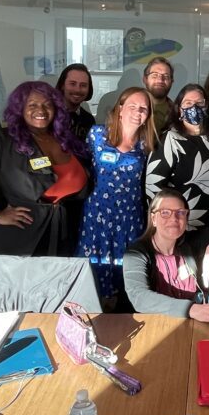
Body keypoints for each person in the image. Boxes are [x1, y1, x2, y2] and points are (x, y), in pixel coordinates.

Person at [0, 81, 91, 258]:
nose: (40, 110)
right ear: (20, 109)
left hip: (64, 235)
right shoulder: (4, 140)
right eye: (32, 104)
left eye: (47, 104)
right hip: (22, 237)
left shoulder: (66, 141)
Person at [79, 87, 157, 304]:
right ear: (120, 109)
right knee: (93, 274)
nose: (137, 111)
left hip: (130, 219)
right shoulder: (96, 135)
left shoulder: (147, 146)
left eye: (143, 108)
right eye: (132, 106)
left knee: (126, 278)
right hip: (97, 217)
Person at [123, 189, 209, 322]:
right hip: (153, 325)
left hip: (194, 324)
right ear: (153, 219)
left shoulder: (192, 241)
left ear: (186, 219)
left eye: (180, 213)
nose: (174, 218)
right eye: (165, 213)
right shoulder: (136, 253)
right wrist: (190, 309)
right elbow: (139, 298)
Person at [145, 84, 209, 229]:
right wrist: (163, 221)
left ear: (207, 107)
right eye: (188, 103)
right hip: (179, 225)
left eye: (199, 103)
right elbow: (153, 186)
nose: (194, 107)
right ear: (179, 109)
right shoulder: (169, 139)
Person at [56, 63, 96, 143]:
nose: (77, 90)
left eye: (83, 85)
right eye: (72, 84)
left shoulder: (89, 120)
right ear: (62, 85)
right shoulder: (50, 115)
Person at [143, 57, 176, 134]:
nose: (160, 80)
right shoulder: (130, 108)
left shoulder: (177, 113)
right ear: (145, 79)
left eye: (166, 76)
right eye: (155, 75)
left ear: (172, 81)